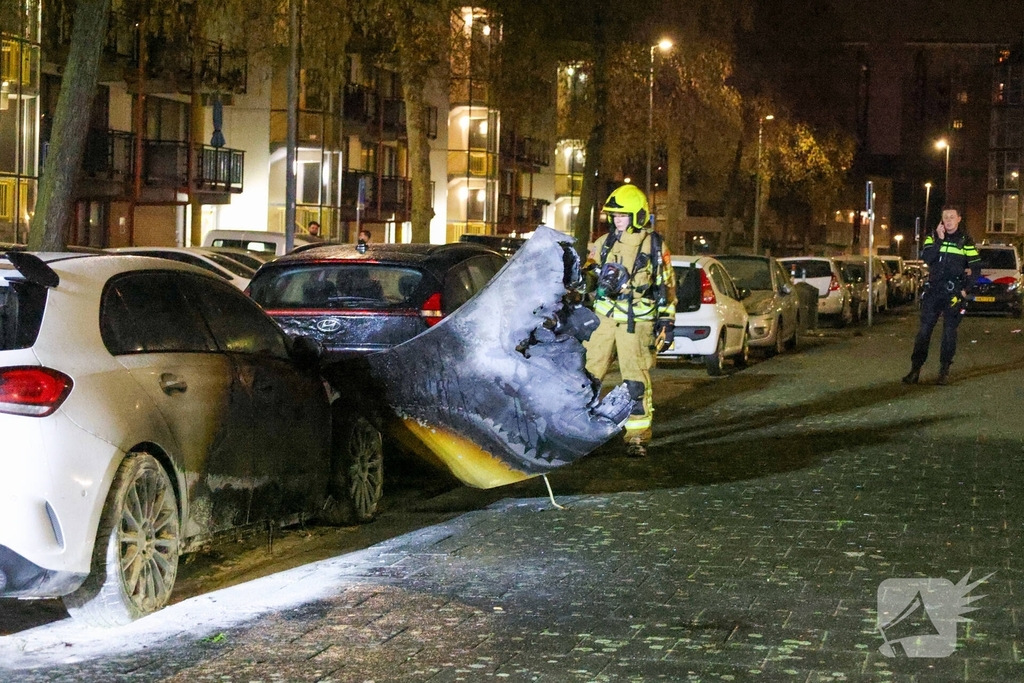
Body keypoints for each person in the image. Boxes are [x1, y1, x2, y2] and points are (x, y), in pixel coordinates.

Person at [583, 184, 676, 457]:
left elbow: (667, 287)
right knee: (587, 375)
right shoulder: (604, 242)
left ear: (638, 215)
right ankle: (580, 429)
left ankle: (637, 436)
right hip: (603, 320)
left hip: (637, 324)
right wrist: (585, 277)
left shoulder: (654, 246)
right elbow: (590, 273)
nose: (617, 220)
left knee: (635, 381)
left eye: (622, 215)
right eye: (614, 215)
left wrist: (667, 322)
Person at [902, 205, 981, 385]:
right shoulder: (932, 237)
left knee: (949, 332)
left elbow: (976, 267)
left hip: (954, 292)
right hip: (933, 291)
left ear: (959, 219)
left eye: (952, 217)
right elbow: (927, 258)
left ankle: (944, 371)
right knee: (924, 331)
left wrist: (966, 289)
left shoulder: (965, 240)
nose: (948, 220)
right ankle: (915, 370)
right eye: (945, 217)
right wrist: (939, 239)